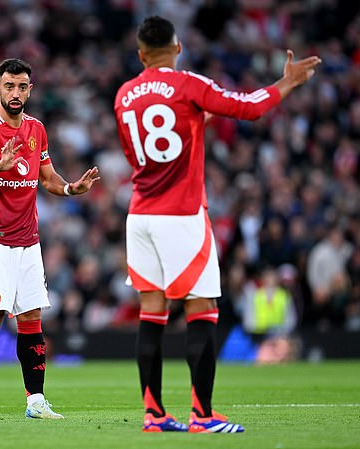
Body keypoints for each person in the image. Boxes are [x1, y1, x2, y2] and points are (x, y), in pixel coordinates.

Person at [113, 16, 321, 433]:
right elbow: (248, 107)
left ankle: (154, 415)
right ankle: (202, 416)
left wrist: (197, 121)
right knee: (202, 308)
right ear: (178, 48)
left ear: (140, 55)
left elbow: (159, 141)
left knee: (152, 312)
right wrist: (288, 83)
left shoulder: (124, 94)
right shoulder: (189, 84)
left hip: (140, 216)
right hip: (182, 215)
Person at [0, 58, 100, 420]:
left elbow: (46, 178)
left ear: (30, 89)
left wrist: (70, 187)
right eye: (9, 86)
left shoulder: (36, 129)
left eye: (22, 87)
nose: (15, 93)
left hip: (28, 240)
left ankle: (36, 401)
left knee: (31, 319)